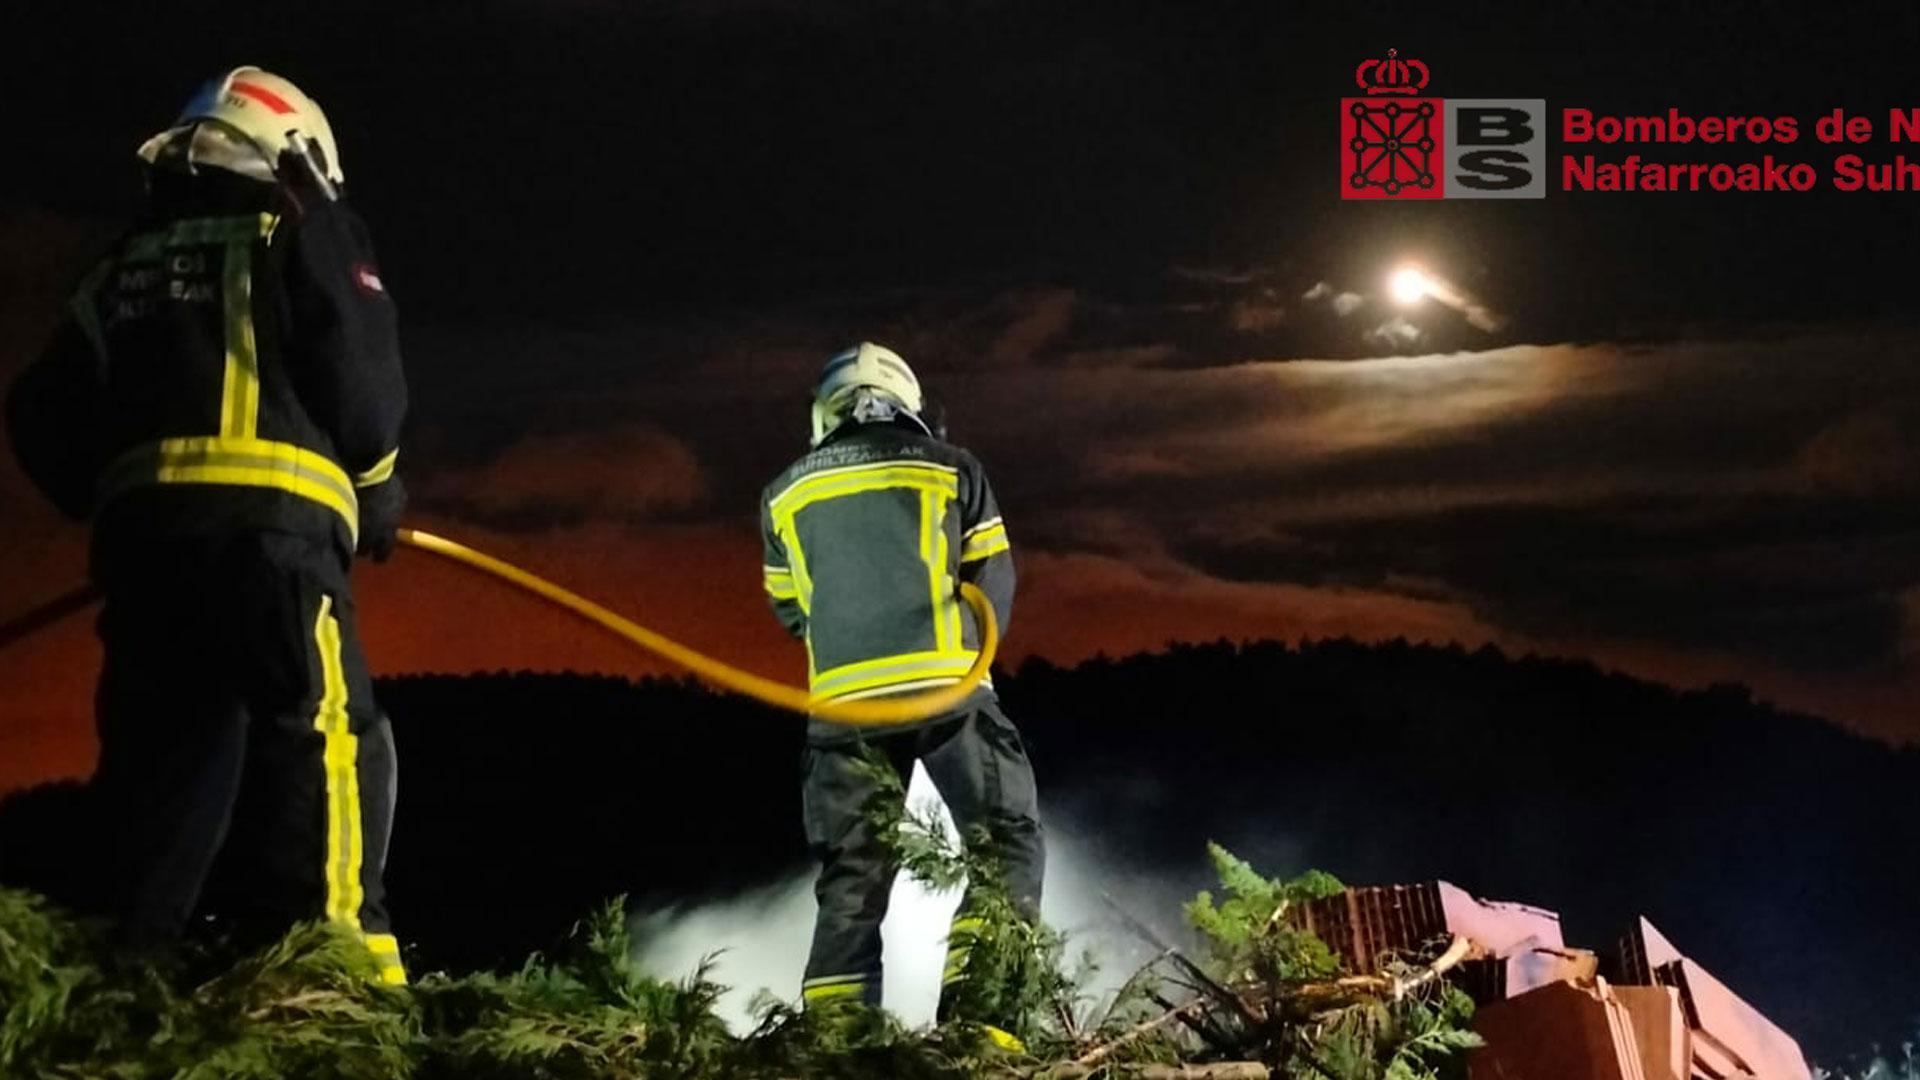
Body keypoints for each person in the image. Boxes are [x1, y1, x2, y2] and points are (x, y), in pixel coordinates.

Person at [5, 67, 409, 983]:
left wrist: (111, 494)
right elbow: (363, 377)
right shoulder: (298, 231)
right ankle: (336, 973)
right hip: (272, 548)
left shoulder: (117, 269)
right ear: (295, 157)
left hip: (147, 557)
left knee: (165, 759)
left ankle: (129, 977)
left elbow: (38, 412)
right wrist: (379, 485)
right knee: (324, 733)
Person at [759, 342, 1044, 1019]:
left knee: (851, 881)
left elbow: (791, 609)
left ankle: (837, 1042)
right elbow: (992, 582)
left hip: (841, 712)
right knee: (1004, 844)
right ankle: (982, 1025)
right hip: (950, 694)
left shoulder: (783, 493)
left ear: (826, 412)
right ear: (912, 407)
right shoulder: (954, 469)